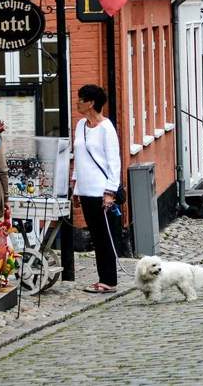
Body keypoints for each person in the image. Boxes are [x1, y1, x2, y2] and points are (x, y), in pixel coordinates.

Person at [72, 84, 121, 294]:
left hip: (101, 192)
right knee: (95, 234)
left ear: (91, 103)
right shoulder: (81, 125)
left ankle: (108, 280)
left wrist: (110, 191)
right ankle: (104, 277)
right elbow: (79, 158)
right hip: (85, 190)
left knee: (104, 237)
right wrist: (75, 185)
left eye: (80, 99)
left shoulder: (106, 128)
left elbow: (114, 161)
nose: (77, 102)